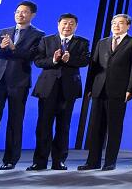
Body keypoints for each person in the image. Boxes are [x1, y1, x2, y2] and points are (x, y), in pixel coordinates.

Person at [0, 0, 43, 170]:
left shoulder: (38, 35)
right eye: (18, 11)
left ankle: (10, 159)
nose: (20, 14)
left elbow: (32, 56)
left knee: (15, 121)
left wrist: (13, 48)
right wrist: (1, 47)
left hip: (19, 82)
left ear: (32, 15)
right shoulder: (3, 31)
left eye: (24, 12)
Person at [80, 14, 132, 170]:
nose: (116, 25)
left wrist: (130, 89)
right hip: (99, 89)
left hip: (119, 90)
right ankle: (92, 162)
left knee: (114, 127)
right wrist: (89, 88)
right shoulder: (102, 42)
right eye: (114, 23)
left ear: (128, 26)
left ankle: (110, 162)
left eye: (120, 23)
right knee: (95, 127)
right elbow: (94, 66)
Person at [28, 13, 89, 171]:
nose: (67, 26)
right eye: (65, 23)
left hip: (69, 89)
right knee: (43, 125)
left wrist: (70, 60)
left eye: (71, 24)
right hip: (47, 88)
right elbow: (38, 61)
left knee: (64, 126)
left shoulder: (82, 42)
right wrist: (54, 60)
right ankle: (39, 161)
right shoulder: (46, 40)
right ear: (58, 24)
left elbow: (86, 60)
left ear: (76, 26)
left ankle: (59, 161)